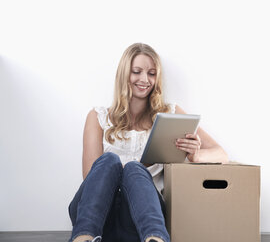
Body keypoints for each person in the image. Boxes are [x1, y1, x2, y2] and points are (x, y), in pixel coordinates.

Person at [68, 43, 229, 242]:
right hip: (99, 213)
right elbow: (90, 178)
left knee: (135, 169)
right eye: (137, 72)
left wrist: (195, 155)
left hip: (139, 216)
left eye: (152, 74)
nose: (144, 80)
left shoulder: (170, 114)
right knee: (110, 161)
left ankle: (155, 238)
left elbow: (221, 154)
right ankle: (84, 237)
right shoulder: (98, 116)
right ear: (124, 75)